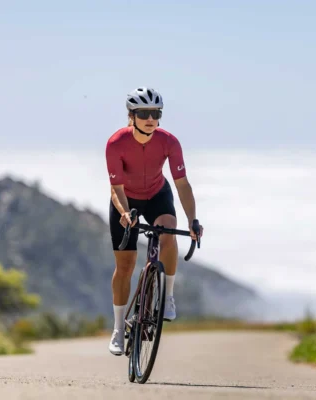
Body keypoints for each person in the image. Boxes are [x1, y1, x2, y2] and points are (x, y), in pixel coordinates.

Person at [105, 87, 203, 356]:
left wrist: (193, 220)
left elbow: (182, 185)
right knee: (125, 266)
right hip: (126, 200)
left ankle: (167, 297)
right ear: (131, 115)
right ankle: (118, 329)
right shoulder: (116, 143)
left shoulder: (169, 142)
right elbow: (116, 188)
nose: (150, 119)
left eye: (156, 113)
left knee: (168, 231)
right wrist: (125, 213)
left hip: (158, 195)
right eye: (144, 113)